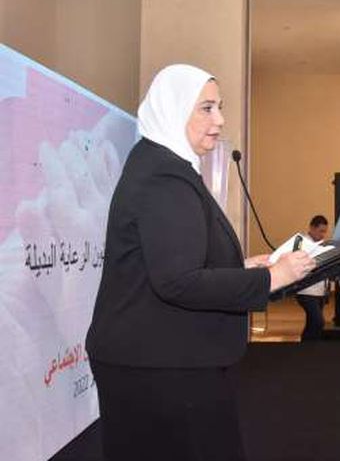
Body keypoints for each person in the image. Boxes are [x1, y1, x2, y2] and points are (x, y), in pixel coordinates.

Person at [84, 65, 315, 461]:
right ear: (174, 110)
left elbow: (174, 258)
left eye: (219, 107)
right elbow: (178, 281)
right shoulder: (164, 178)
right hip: (158, 368)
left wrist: (242, 267)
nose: (220, 120)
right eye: (207, 108)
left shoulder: (162, 165)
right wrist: (273, 277)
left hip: (160, 358)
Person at [295, 215, 330, 341]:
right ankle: (307, 346)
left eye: (325, 231)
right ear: (312, 228)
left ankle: (309, 346)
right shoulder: (302, 243)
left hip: (319, 290)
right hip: (306, 290)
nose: (323, 235)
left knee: (312, 323)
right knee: (318, 321)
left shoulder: (321, 244)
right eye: (321, 231)